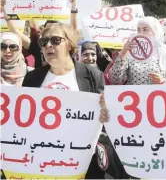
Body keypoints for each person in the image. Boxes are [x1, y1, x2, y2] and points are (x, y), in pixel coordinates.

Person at [19, 23, 127, 179]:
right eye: (43, 42)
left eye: (55, 40)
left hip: (82, 160)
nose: (48, 45)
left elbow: (106, 116)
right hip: (44, 158)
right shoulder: (32, 78)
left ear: (69, 44)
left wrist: (105, 112)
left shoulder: (92, 75)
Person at [1, 0, 78, 68]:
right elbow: (15, 32)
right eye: (47, 32)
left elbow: (73, 33)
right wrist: (4, 10)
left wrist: (73, 9)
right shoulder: (37, 45)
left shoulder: (67, 47)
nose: (49, 45)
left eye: (55, 39)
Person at [108, 16, 166, 85]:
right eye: (138, 30)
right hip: (133, 95)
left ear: (155, 31)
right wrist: (123, 54)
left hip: (157, 95)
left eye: (145, 30)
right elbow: (115, 80)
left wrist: (164, 81)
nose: (141, 33)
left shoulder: (164, 51)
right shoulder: (131, 51)